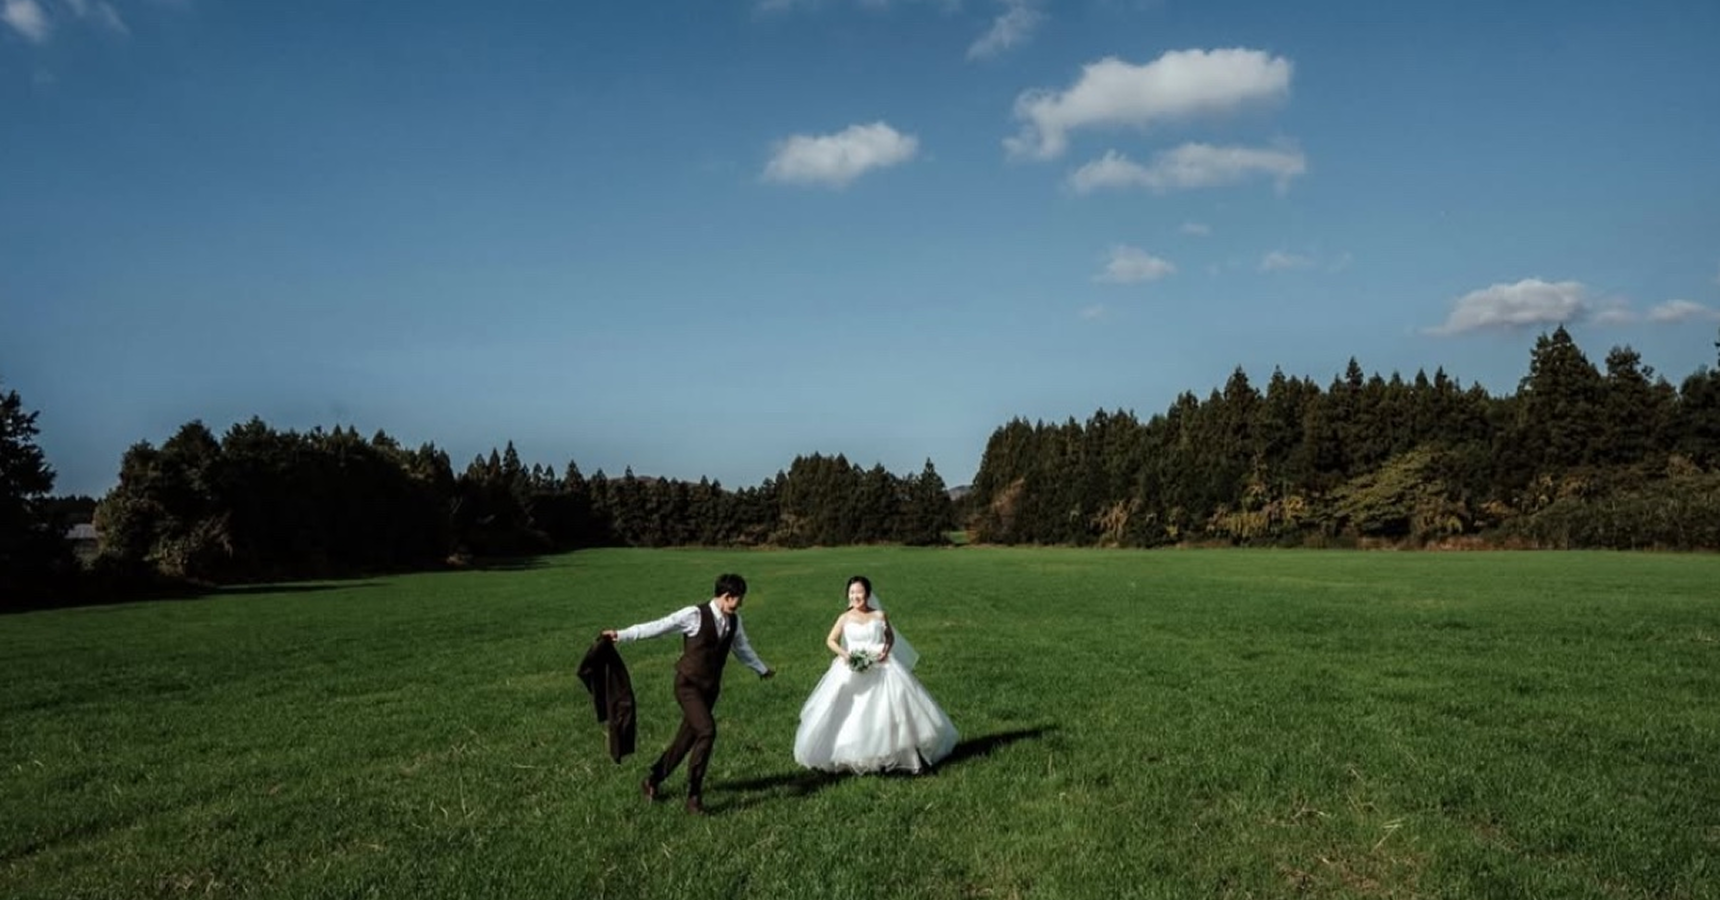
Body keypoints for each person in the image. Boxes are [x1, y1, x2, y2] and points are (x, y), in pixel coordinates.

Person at [601, 573, 774, 815]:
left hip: (710, 690)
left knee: (685, 741)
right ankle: (694, 795)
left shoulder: (734, 621)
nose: (740, 604)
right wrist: (621, 635)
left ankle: (652, 780)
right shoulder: (694, 615)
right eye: (738, 600)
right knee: (707, 731)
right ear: (726, 596)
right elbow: (659, 626)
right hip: (688, 685)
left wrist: (761, 669)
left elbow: (742, 648)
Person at [792, 575, 957, 773]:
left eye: (859, 592)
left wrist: (885, 651)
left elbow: (890, 637)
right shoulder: (844, 618)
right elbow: (830, 640)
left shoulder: (879, 615)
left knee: (892, 707)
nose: (855, 596)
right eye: (851, 592)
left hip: (882, 667)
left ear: (868, 594)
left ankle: (897, 752)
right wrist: (846, 655)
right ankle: (855, 753)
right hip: (851, 667)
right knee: (851, 712)